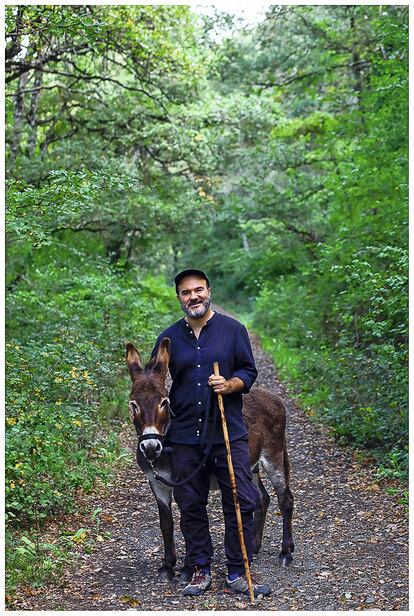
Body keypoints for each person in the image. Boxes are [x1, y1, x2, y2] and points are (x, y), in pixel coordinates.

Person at [151, 268, 272, 598]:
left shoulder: (233, 331)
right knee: (190, 504)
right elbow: (153, 383)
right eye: (186, 292)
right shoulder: (168, 339)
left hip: (227, 431)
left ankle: (237, 570)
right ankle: (199, 568)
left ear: (209, 291)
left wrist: (231, 384)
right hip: (185, 435)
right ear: (179, 298)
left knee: (241, 501)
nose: (194, 296)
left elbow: (249, 371)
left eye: (198, 289)